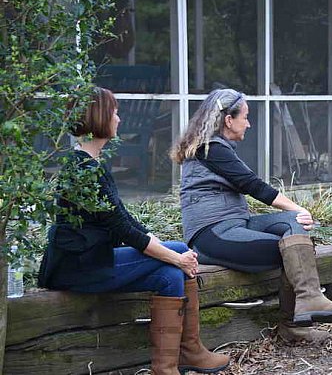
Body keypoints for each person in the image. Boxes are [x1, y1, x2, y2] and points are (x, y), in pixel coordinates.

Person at [38, 88, 229, 375]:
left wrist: (158, 243)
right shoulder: (82, 171)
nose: (119, 118)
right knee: (178, 253)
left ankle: (174, 362)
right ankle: (188, 352)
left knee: (169, 276)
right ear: (99, 117)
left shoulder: (91, 164)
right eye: (114, 112)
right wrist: (177, 258)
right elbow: (123, 230)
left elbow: (123, 219)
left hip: (93, 259)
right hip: (78, 267)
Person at [171, 88, 332, 343]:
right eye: (245, 117)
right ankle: (296, 321)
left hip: (237, 225)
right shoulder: (209, 149)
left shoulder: (217, 147)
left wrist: (297, 215)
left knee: (294, 225)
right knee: (291, 248)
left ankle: (307, 303)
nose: (249, 124)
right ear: (228, 120)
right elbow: (253, 185)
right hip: (211, 236)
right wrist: (299, 208)